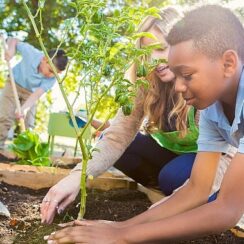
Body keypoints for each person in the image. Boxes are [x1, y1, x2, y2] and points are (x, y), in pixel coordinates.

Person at [45, 5, 244, 243]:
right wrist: (119, 228)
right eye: (146, 52)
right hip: (191, 167)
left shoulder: (207, 96)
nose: (180, 87)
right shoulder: (212, 106)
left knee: (176, 177)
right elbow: (196, 189)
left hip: (217, 171)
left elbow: (228, 210)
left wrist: (124, 235)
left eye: (187, 76)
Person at [0, 38, 68, 160]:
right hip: (13, 84)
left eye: (55, 73)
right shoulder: (32, 53)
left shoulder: (52, 79)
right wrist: (10, 50)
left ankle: (24, 155)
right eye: (51, 71)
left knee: (28, 124)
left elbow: (36, 95)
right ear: (44, 59)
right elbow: (13, 40)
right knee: (4, 118)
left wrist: (24, 109)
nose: (51, 75)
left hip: (30, 93)